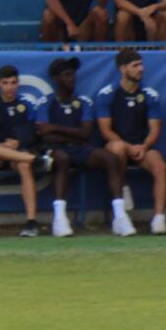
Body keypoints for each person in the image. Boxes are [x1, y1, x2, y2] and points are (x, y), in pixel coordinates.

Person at [37, 55, 123, 238]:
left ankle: (120, 216)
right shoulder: (46, 102)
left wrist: (54, 128)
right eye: (67, 75)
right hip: (55, 151)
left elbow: (85, 132)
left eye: (73, 74)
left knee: (111, 158)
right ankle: (59, 219)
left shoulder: (84, 101)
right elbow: (43, 133)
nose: (72, 78)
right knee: (62, 159)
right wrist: (70, 134)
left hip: (79, 148)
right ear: (56, 79)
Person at [94, 47, 166, 236]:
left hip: (142, 147)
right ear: (123, 69)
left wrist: (144, 146)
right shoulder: (107, 94)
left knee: (159, 164)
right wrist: (129, 147)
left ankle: (159, 218)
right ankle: (121, 207)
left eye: (141, 64)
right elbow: (105, 130)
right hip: (119, 145)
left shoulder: (150, 95)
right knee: (117, 149)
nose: (141, 69)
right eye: (135, 65)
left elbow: (155, 129)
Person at [0, 64, 45, 238]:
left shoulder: (27, 104)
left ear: (18, 84)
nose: (10, 87)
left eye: (13, 82)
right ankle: (33, 159)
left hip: (17, 153)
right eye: (6, 83)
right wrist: (0, 146)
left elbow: (34, 132)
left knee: (23, 165)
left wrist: (18, 142)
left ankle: (31, 222)